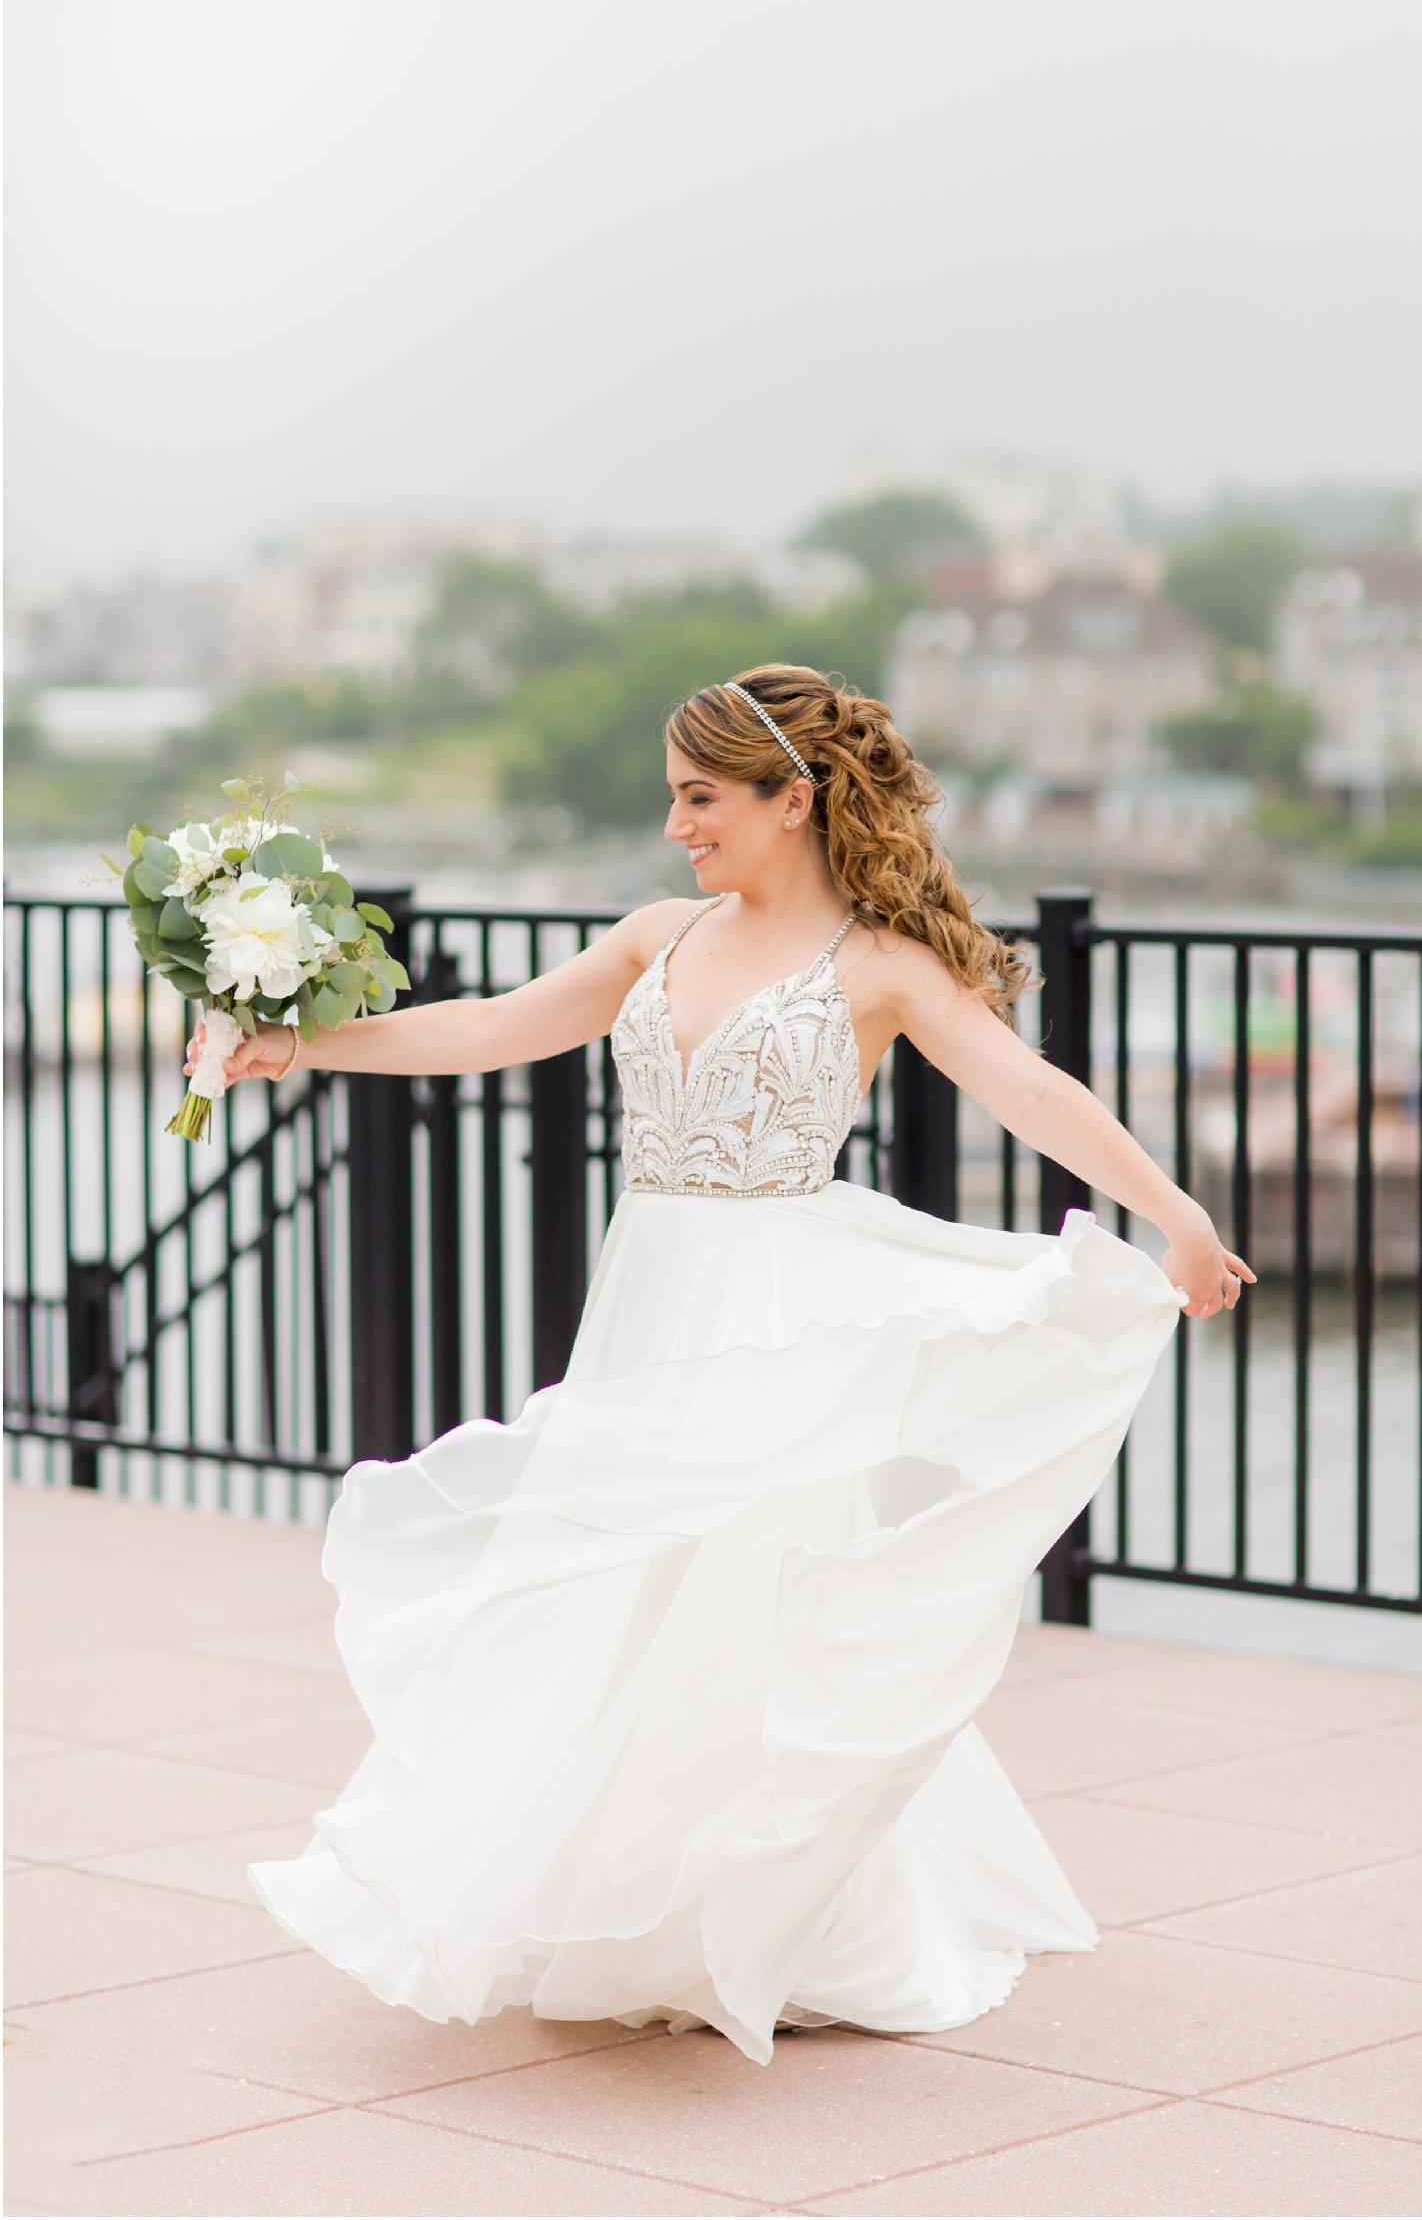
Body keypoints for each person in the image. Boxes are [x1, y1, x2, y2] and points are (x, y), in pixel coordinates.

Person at [195, 665, 1253, 2067]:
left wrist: (1175, 1216)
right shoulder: (658, 935)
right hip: (656, 1297)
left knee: (761, 1608)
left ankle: (774, 1928)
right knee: (632, 1595)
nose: (680, 822)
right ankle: (644, 1911)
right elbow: (493, 1026)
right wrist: (299, 1043)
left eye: (702, 796)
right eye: (677, 796)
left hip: (777, 1309)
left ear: (789, 799)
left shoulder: (879, 962)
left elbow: (1031, 1091)